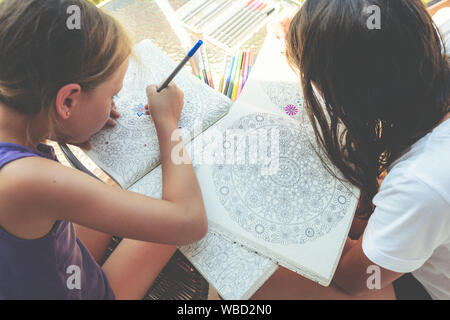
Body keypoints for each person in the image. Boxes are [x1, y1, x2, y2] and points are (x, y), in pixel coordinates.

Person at [0, 0, 207, 299]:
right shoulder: (25, 181)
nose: (114, 105)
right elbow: (189, 222)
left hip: (34, 273)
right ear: (67, 101)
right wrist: (167, 123)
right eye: (112, 94)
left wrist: (61, 126)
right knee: (165, 220)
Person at [252, 0, 450, 300]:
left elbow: (355, 279)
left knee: (264, 282)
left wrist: (296, 216)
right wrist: (317, 27)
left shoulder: (422, 183)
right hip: (422, 236)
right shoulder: (441, 34)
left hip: (427, 284)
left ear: (357, 99)